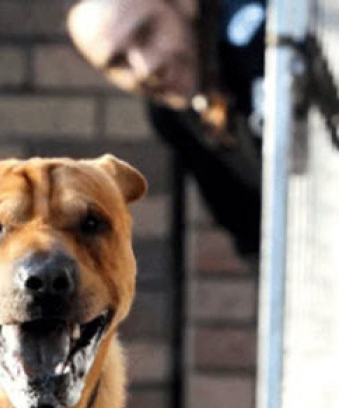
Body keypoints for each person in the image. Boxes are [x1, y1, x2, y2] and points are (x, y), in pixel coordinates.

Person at [68, 0, 266, 259]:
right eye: (118, 62)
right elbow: (250, 232)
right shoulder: (170, 115)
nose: (146, 67)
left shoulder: (263, 37)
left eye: (147, 33)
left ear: (186, 4)